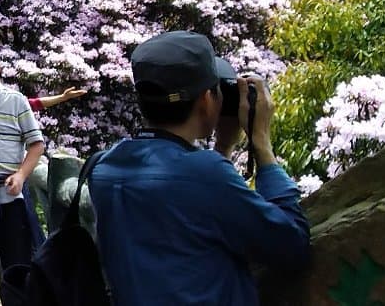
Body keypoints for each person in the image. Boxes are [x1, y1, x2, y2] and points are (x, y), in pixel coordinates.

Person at [90, 30, 311, 306]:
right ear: (207, 101)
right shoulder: (205, 174)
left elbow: (191, 225)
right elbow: (291, 247)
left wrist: (223, 149)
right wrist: (262, 145)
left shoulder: (105, 168)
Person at [0, 45, 86, 306]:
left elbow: (36, 144)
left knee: (16, 269)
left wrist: (22, 174)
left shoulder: (16, 101)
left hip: (9, 198)